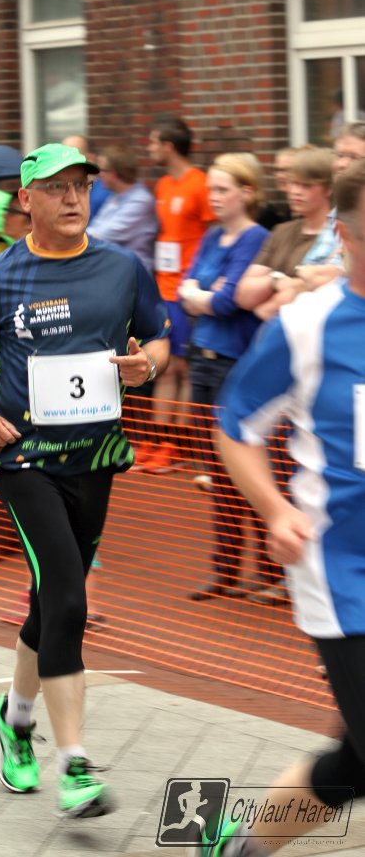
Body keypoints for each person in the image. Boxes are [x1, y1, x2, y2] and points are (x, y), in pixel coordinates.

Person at [0, 141, 170, 819]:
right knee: (67, 596)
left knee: (50, 600)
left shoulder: (123, 267)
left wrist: (147, 365)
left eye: (81, 186)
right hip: (23, 458)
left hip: (96, 457)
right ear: (25, 199)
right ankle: (75, 764)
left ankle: (14, 718)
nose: (72, 198)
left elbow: (158, 337)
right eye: (57, 187)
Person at [198, 159, 365, 857]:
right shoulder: (307, 326)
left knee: (357, 762)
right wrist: (272, 509)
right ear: (343, 235)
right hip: (341, 571)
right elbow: (235, 424)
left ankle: (237, 848)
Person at [177, 153, 281, 600]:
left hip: (233, 363)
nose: (214, 197)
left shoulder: (256, 237)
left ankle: (271, 570)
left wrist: (204, 295)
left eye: (223, 189)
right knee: (216, 471)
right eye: (211, 190)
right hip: (201, 360)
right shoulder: (210, 236)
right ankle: (226, 569)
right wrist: (205, 293)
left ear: (247, 192)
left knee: (246, 468)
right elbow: (185, 289)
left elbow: (226, 301)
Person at [136, 117, 214, 474]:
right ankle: (156, 440)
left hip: (186, 289)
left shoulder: (199, 184)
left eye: (153, 142)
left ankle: (177, 445)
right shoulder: (163, 185)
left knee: (182, 367)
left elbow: (211, 235)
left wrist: (200, 281)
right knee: (164, 366)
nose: (149, 149)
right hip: (163, 287)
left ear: (168, 146)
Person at [235, 146, 333, 322]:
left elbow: (276, 309)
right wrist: (276, 280)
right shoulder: (281, 231)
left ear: (328, 189)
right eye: (292, 183)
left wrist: (271, 294)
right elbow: (243, 295)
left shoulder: (338, 236)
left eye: (306, 185)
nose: (295, 191)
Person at [87, 142, 157, 274]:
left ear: (113, 174)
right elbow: (95, 226)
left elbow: (101, 235)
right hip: (115, 272)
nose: (99, 175)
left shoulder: (140, 202)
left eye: (102, 170)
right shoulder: (116, 196)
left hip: (135, 277)